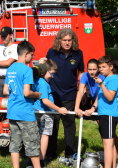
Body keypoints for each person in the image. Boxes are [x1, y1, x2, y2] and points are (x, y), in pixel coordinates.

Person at [43, 28, 84, 159]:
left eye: (69, 40)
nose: (67, 43)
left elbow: (81, 73)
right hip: (53, 93)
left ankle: (70, 152)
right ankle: (50, 152)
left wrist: (82, 91)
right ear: (59, 41)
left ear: (73, 41)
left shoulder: (79, 54)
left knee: (69, 125)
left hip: (71, 94)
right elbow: (45, 69)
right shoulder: (51, 52)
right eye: (64, 40)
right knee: (52, 125)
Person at [75, 58, 118, 163]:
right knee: (107, 142)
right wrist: (92, 108)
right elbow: (99, 95)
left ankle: (116, 158)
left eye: (101, 67)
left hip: (109, 113)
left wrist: (117, 108)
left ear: (111, 67)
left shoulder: (109, 78)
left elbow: (112, 96)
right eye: (90, 69)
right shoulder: (105, 78)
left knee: (108, 143)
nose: (93, 71)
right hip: (102, 112)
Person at [3, 41, 41, 168]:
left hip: (12, 112)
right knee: (32, 145)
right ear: (26, 53)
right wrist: (36, 94)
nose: (32, 57)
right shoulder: (27, 69)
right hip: (25, 113)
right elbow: (26, 93)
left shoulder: (10, 69)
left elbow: (4, 90)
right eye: (32, 55)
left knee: (15, 144)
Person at [28, 59, 69, 167]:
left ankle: (31, 161)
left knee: (34, 137)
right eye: (51, 73)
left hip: (35, 112)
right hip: (45, 113)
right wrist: (59, 109)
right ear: (44, 70)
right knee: (44, 136)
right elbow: (45, 100)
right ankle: (40, 161)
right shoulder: (43, 83)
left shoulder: (34, 81)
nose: (52, 76)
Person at [0, 26, 18, 109]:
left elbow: (8, 63)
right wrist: (4, 63)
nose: (3, 38)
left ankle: (7, 121)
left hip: (10, 79)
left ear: (11, 35)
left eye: (5, 36)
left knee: (9, 104)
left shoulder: (16, 47)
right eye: (2, 36)